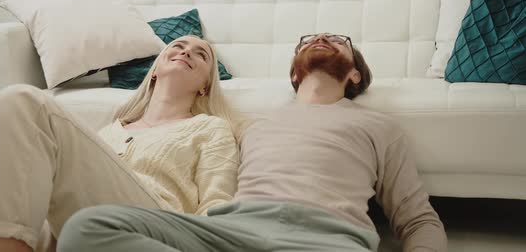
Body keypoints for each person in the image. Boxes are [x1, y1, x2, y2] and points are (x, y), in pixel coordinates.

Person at [57, 33, 447, 252]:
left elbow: (418, 219)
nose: (323, 38)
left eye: (337, 39)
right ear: (294, 73)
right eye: (310, 39)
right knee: (85, 227)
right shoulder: (250, 127)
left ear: (357, 76)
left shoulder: (379, 127)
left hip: (325, 240)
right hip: (233, 233)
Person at [0, 35, 240, 252]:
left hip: (159, 228)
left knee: (20, 100)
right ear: (156, 69)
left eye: (200, 54)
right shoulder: (111, 130)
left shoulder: (211, 127)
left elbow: (217, 207)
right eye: (177, 47)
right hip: (84, 227)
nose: (186, 52)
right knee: (9, 103)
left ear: (206, 85)